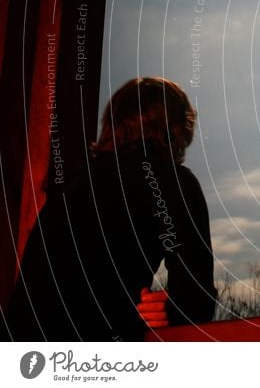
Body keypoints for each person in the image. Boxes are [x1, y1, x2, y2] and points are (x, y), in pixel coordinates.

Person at [6, 77, 216, 340]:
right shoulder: (174, 183)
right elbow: (197, 297)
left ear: (113, 125)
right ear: (178, 127)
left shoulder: (73, 185)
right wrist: (175, 307)